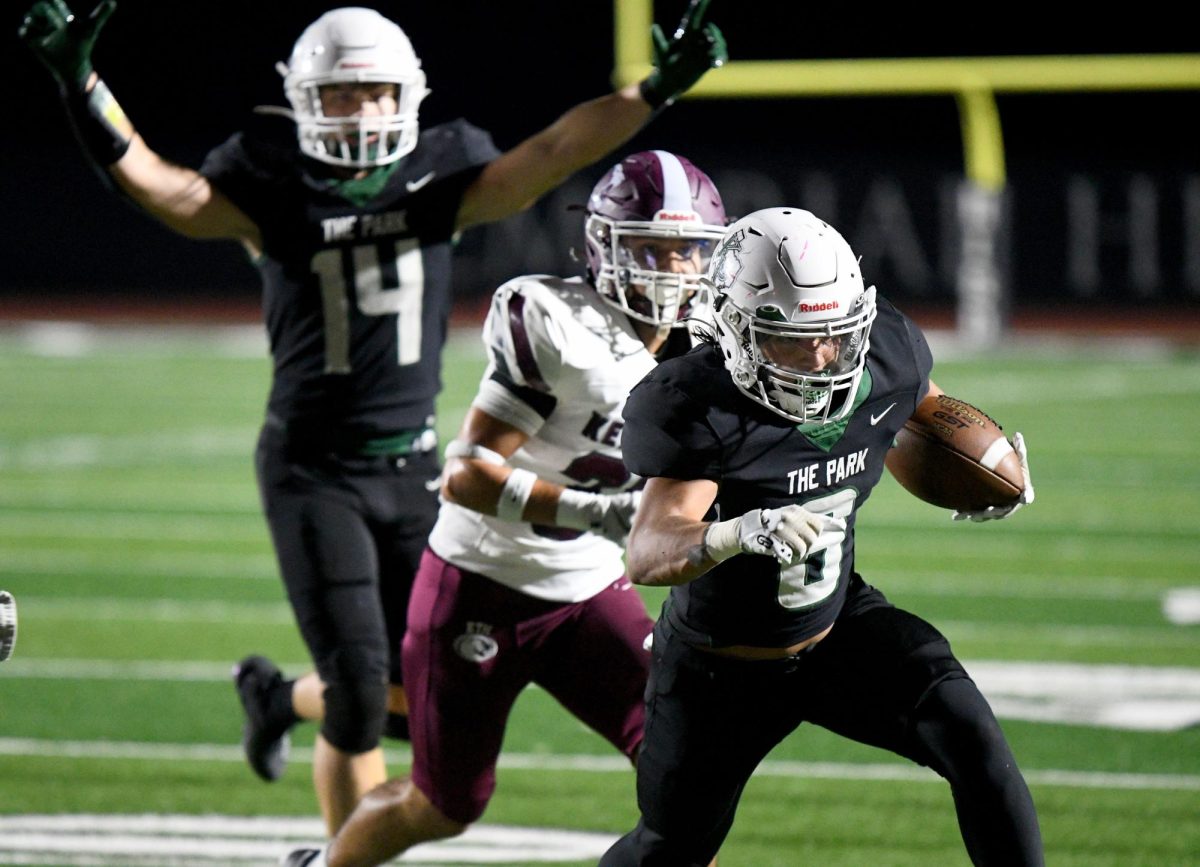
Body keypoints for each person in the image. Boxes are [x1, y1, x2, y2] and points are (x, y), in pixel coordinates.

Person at [17, 0, 727, 835]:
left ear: (408, 98)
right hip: (313, 468)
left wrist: (654, 91)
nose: (361, 113)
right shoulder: (272, 183)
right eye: (342, 96)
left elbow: (554, 150)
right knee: (359, 692)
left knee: (401, 699)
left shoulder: (436, 177)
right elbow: (162, 188)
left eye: (377, 93)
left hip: (414, 462)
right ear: (304, 101)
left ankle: (277, 698)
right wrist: (80, 83)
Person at [280, 150, 727, 867]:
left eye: (687, 252)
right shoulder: (560, 325)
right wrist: (600, 513)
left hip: (584, 588)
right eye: (650, 248)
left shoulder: (710, 351)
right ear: (603, 246)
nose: (670, 270)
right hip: (478, 584)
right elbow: (466, 474)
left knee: (686, 758)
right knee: (445, 803)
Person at [598, 207, 1043, 866]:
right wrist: (734, 533)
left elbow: (920, 414)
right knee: (671, 848)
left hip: (838, 631)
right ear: (732, 329)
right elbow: (649, 547)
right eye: (789, 339)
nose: (819, 357)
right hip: (718, 667)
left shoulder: (886, 350)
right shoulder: (698, 401)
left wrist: (986, 467)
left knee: (972, 736)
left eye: (833, 335)